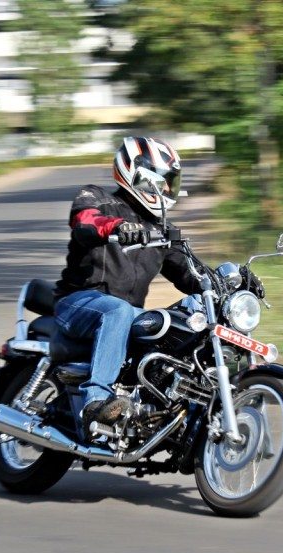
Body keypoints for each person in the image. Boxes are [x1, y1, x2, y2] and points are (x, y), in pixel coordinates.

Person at [54, 136, 202, 429]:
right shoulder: (97, 198)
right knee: (117, 310)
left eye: (171, 181)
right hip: (79, 302)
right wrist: (118, 227)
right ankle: (95, 402)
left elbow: (191, 275)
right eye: (163, 181)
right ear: (140, 176)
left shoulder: (161, 231)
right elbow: (85, 221)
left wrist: (231, 280)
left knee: (182, 321)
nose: (168, 188)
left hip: (127, 313)